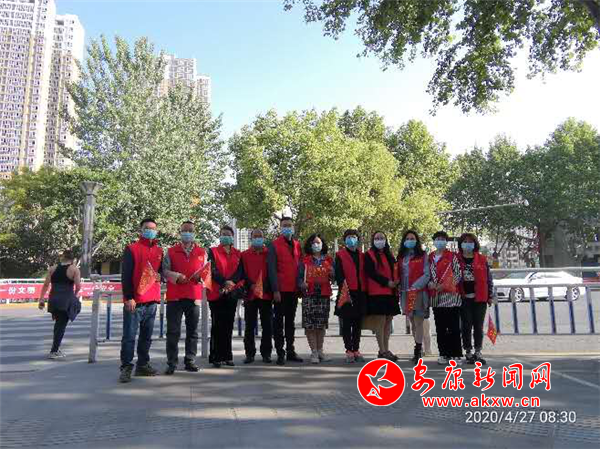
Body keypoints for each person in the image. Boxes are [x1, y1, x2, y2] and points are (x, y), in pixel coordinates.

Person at [119, 218, 163, 383]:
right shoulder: (131, 249)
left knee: (146, 337)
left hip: (152, 300)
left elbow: (161, 272)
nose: (150, 231)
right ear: (141, 230)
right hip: (135, 301)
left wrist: (160, 276)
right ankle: (126, 367)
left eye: (153, 229)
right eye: (147, 228)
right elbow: (126, 275)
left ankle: (143, 365)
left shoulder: (159, 250)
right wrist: (129, 297)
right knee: (129, 337)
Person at [162, 221, 206, 375]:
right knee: (173, 332)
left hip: (194, 296)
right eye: (184, 230)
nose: (187, 233)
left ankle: (190, 360)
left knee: (192, 331)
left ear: (194, 233)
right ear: (180, 232)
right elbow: (164, 271)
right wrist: (176, 276)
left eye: (190, 230)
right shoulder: (171, 251)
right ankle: (171, 362)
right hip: (175, 297)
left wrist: (201, 276)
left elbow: (206, 272)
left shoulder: (202, 252)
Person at [268, 217, 303, 366]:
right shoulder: (274, 245)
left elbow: (300, 266)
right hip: (280, 291)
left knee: (290, 323)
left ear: (293, 227)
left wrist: (300, 285)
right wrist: (275, 289)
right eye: (284, 226)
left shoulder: (297, 245)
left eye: (289, 225)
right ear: (280, 228)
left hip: (293, 290)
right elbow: (271, 269)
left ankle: (290, 351)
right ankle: (280, 353)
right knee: (278, 324)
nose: (287, 228)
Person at [207, 225, 243, 368]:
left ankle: (227, 356)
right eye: (223, 234)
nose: (226, 236)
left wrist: (231, 282)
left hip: (232, 292)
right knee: (217, 325)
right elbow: (212, 269)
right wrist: (224, 282)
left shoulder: (238, 253)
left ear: (232, 237)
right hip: (217, 292)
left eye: (228, 234)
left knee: (228, 325)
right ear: (219, 236)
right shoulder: (212, 251)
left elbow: (240, 271)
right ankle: (216, 357)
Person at [457, 232, 493, 365]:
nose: (468, 244)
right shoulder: (456, 258)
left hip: (480, 297)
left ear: (475, 244)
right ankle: (468, 351)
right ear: (461, 244)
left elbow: (489, 279)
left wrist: (490, 295)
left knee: (478, 325)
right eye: (465, 241)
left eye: (470, 242)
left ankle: (478, 351)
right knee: (466, 325)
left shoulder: (482, 259)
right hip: (463, 297)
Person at [38, 250, 82, 359]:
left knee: (59, 324)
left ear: (62, 258)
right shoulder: (74, 269)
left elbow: (46, 285)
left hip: (53, 299)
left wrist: (41, 299)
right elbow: (78, 286)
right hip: (65, 300)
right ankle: (54, 351)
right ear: (72, 260)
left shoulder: (52, 269)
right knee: (61, 325)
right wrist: (74, 295)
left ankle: (56, 348)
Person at [428, 231, 463, 366]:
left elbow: (458, 274)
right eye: (437, 239)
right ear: (434, 241)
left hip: (451, 297)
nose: (440, 241)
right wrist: (430, 284)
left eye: (443, 239)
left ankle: (456, 354)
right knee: (440, 328)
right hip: (437, 298)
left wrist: (444, 285)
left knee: (454, 327)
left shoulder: (452, 256)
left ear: (446, 241)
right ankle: (443, 354)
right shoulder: (430, 257)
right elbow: (427, 274)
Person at [364, 231, 400, 361]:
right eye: (377, 238)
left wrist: (396, 282)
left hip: (391, 292)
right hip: (377, 293)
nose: (380, 240)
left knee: (388, 321)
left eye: (382, 238)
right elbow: (371, 273)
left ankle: (385, 349)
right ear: (373, 240)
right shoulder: (369, 255)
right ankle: (382, 350)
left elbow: (395, 270)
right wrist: (386, 282)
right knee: (380, 322)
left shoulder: (389, 254)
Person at [298, 234, 334, 364]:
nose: (316, 245)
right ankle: (313, 351)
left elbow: (334, 277)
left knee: (321, 324)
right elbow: (299, 277)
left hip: (324, 294)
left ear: (322, 244)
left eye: (318, 242)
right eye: (314, 243)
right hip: (309, 295)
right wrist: (301, 284)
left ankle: (320, 351)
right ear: (310, 245)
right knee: (310, 325)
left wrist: (332, 273)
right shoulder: (304, 260)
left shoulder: (328, 260)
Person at [396, 230, 430, 364]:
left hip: (418, 292)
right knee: (412, 323)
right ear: (404, 241)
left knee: (418, 322)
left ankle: (418, 351)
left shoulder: (423, 255)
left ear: (417, 241)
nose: (410, 241)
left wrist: (415, 286)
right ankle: (418, 346)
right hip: (405, 293)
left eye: (412, 238)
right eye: (408, 238)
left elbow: (427, 274)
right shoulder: (401, 257)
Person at [241, 229, 273, 364]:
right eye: (255, 236)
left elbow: (272, 272)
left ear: (264, 238)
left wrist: (264, 286)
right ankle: (249, 353)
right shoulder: (244, 255)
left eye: (260, 236)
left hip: (266, 294)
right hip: (250, 295)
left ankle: (266, 353)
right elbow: (242, 273)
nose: (258, 238)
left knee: (267, 326)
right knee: (249, 326)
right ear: (251, 238)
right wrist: (251, 285)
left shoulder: (269, 253)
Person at [334, 229, 367, 363]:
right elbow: (338, 274)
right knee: (346, 323)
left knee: (358, 324)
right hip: (346, 292)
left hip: (360, 293)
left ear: (357, 239)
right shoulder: (340, 255)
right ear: (345, 240)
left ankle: (356, 349)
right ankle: (349, 350)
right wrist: (344, 288)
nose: (351, 239)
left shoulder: (362, 255)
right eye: (348, 237)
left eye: (353, 237)